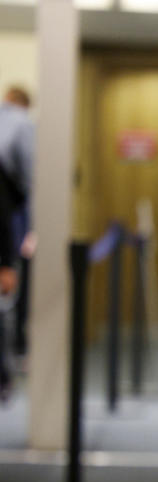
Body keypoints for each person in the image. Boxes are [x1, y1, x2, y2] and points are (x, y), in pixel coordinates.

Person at [0, 86, 33, 399]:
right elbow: (30, 180)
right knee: (7, 305)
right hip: (10, 220)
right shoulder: (23, 124)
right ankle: (6, 372)